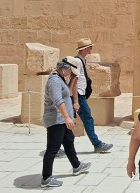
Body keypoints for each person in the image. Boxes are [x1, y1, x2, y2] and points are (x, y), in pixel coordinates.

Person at [41, 57, 91, 188]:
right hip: (57, 120)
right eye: (70, 72)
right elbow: (58, 100)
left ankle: (77, 166)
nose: (71, 74)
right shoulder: (54, 81)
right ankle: (46, 178)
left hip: (62, 119)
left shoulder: (60, 79)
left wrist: (73, 79)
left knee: (69, 141)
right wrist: (67, 117)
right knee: (53, 148)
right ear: (64, 69)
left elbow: (67, 93)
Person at [73, 38, 113, 153]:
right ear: (85, 49)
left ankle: (55, 147)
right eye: (90, 47)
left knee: (70, 120)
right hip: (79, 95)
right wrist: (76, 100)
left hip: (81, 95)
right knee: (88, 119)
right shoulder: (78, 62)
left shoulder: (82, 61)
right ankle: (97, 144)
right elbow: (74, 82)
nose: (91, 50)